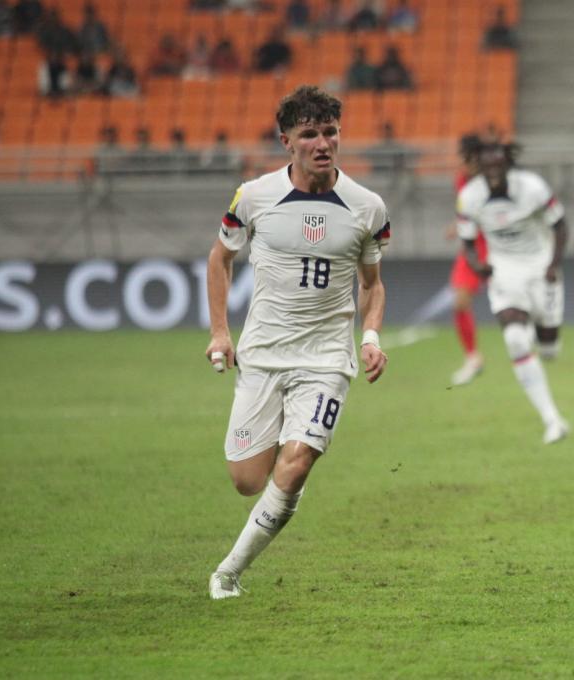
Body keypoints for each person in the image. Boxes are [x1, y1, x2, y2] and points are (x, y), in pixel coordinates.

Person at [205, 85, 390, 599]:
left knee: (298, 460)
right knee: (246, 479)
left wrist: (370, 336)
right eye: (309, 134)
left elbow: (372, 283)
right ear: (286, 140)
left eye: (330, 132)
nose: (322, 143)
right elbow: (220, 260)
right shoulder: (254, 197)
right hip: (263, 354)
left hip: (328, 359)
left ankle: (228, 572)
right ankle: (284, 485)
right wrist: (221, 331)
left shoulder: (367, 207)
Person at [456, 141, 570, 443]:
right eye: (486, 164)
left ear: (507, 163)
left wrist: (554, 264)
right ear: (479, 165)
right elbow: (467, 242)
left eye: (498, 163)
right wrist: (476, 265)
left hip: (540, 266)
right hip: (504, 271)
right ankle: (553, 420)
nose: (492, 169)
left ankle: (538, 333)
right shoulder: (469, 197)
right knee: (516, 340)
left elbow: (560, 225)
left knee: (549, 351)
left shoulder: (532, 187)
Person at [446, 134, 488, 386]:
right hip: (472, 248)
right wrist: (457, 225)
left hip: (497, 247)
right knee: (460, 303)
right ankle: (473, 358)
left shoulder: (492, 180)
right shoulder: (461, 180)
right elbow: (466, 212)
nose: (462, 162)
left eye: (466, 158)